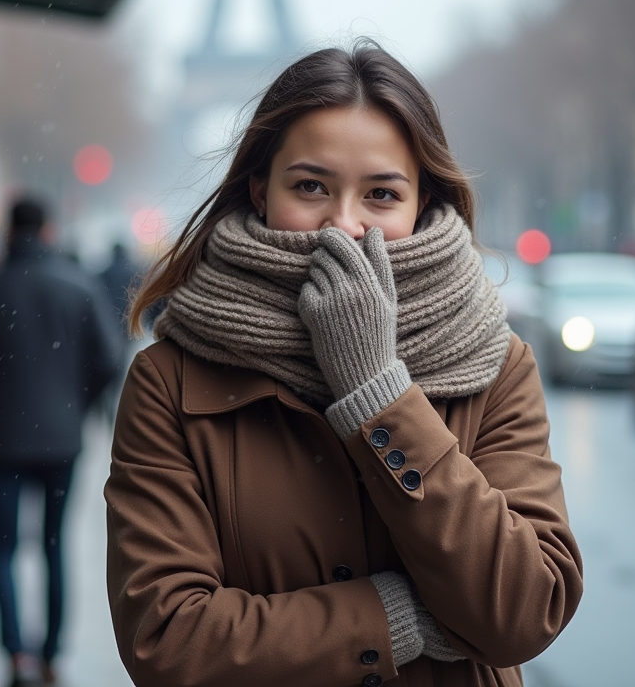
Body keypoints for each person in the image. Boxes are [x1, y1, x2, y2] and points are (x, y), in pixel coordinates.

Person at [105, 41, 584, 687]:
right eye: (310, 186)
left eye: (382, 195)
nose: (345, 225)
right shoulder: (171, 382)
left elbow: (526, 610)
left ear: (421, 204)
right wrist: (393, 620)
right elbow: (167, 643)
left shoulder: (494, 363)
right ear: (259, 191)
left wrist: (377, 391)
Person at [0, 197, 122, 686]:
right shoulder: (80, 288)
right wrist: (75, 406)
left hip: (5, 439)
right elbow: (108, 360)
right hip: (62, 441)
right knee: (54, 546)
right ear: (47, 231)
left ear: (9, 232)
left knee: (3, 549)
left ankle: (13, 652)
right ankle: (51, 653)